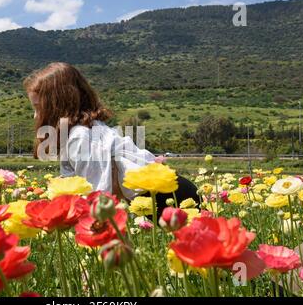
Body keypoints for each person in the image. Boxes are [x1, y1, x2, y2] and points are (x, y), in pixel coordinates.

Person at [23, 62, 199, 219]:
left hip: (169, 199)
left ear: (57, 105)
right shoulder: (88, 128)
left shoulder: (79, 137)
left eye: (38, 108)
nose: (35, 115)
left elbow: (100, 193)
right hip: (170, 194)